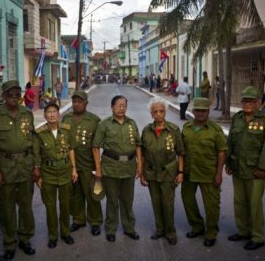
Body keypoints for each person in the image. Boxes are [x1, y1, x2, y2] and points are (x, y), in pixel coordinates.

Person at [0, 80, 38, 260]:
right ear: (3, 96)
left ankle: (25, 239)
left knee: (25, 207)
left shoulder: (27, 113)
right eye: (10, 94)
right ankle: (9, 243)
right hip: (6, 167)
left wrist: (36, 166)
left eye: (17, 94)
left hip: (25, 165)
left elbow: (33, 142)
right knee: (7, 209)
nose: (14, 97)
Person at [226, 86, 265, 250]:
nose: (247, 104)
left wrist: (263, 167)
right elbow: (231, 141)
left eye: (251, 101)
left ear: (258, 102)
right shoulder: (237, 118)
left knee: (254, 204)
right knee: (239, 202)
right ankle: (243, 231)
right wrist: (229, 162)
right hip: (238, 168)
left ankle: (257, 236)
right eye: (245, 101)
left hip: (255, 170)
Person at [93, 95, 142, 242]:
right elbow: (96, 147)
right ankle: (111, 229)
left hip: (129, 167)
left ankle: (129, 228)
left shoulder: (132, 124)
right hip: (110, 167)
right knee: (112, 201)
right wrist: (98, 169)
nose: (122, 108)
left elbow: (138, 145)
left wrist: (140, 165)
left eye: (124, 106)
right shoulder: (104, 124)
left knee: (127, 200)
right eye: (118, 105)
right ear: (112, 107)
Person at [181, 98, 227, 247]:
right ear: (193, 111)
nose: (200, 113)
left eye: (203, 111)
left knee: (212, 205)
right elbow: (181, 151)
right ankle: (197, 226)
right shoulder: (186, 127)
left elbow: (221, 152)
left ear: (208, 112)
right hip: (189, 172)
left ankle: (211, 232)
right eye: (197, 110)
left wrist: (219, 173)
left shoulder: (215, 130)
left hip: (208, 173)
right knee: (188, 200)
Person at [140, 98, 185, 245]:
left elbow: (180, 153)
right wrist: (142, 173)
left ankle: (170, 232)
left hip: (168, 172)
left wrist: (180, 172)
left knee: (168, 203)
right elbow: (142, 153)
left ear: (165, 112)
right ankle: (160, 229)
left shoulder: (173, 130)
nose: (158, 114)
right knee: (156, 202)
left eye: (161, 111)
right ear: (151, 114)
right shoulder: (146, 131)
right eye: (155, 112)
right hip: (152, 173)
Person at [35, 102, 78, 248]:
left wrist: (74, 169)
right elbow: (37, 156)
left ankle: (66, 233)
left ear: (59, 114)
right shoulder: (40, 133)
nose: (52, 114)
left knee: (65, 205)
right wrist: (39, 176)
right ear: (45, 115)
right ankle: (53, 235)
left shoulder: (66, 130)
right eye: (49, 112)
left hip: (65, 171)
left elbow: (71, 149)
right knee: (50, 207)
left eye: (54, 111)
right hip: (48, 173)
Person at [61, 90, 103, 236]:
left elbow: (98, 145)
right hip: (71, 165)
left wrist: (98, 167)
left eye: (79, 102)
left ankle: (95, 221)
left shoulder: (94, 120)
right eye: (74, 102)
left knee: (92, 193)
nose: (76, 104)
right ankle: (78, 219)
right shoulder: (66, 119)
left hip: (88, 165)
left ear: (86, 103)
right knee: (75, 194)